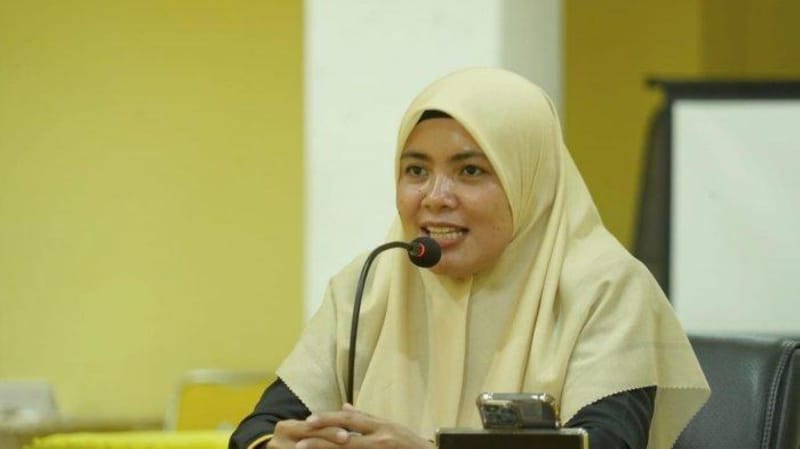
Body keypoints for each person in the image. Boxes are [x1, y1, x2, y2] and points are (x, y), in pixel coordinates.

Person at [230, 68, 710, 449]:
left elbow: (605, 443)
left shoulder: (606, 288)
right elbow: (258, 429)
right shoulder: (371, 282)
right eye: (416, 170)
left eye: (471, 171)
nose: (435, 197)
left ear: (530, 181)